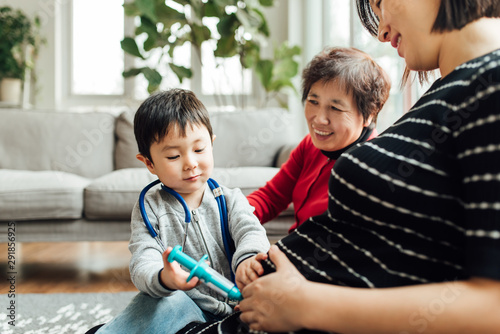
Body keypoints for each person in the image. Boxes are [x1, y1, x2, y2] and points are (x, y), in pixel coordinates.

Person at [236, 0, 500, 333]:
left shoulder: (490, 82)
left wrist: (303, 303)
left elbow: (494, 306)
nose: (382, 30)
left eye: (380, 3)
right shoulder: (448, 93)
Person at [96, 89, 270, 334]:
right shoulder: (150, 208)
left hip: (240, 306)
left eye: (199, 150)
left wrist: (248, 259)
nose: (190, 163)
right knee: (160, 304)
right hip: (186, 305)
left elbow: (251, 232)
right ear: (149, 163)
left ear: (212, 144)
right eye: (174, 155)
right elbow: (143, 259)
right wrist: (164, 278)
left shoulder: (230, 200)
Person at [247, 46, 391, 233]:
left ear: (369, 114)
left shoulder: (369, 169)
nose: (319, 119)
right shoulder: (310, 145)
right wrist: (230, 217)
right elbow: (271, 197)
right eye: (313, 102)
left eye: (336, 108)